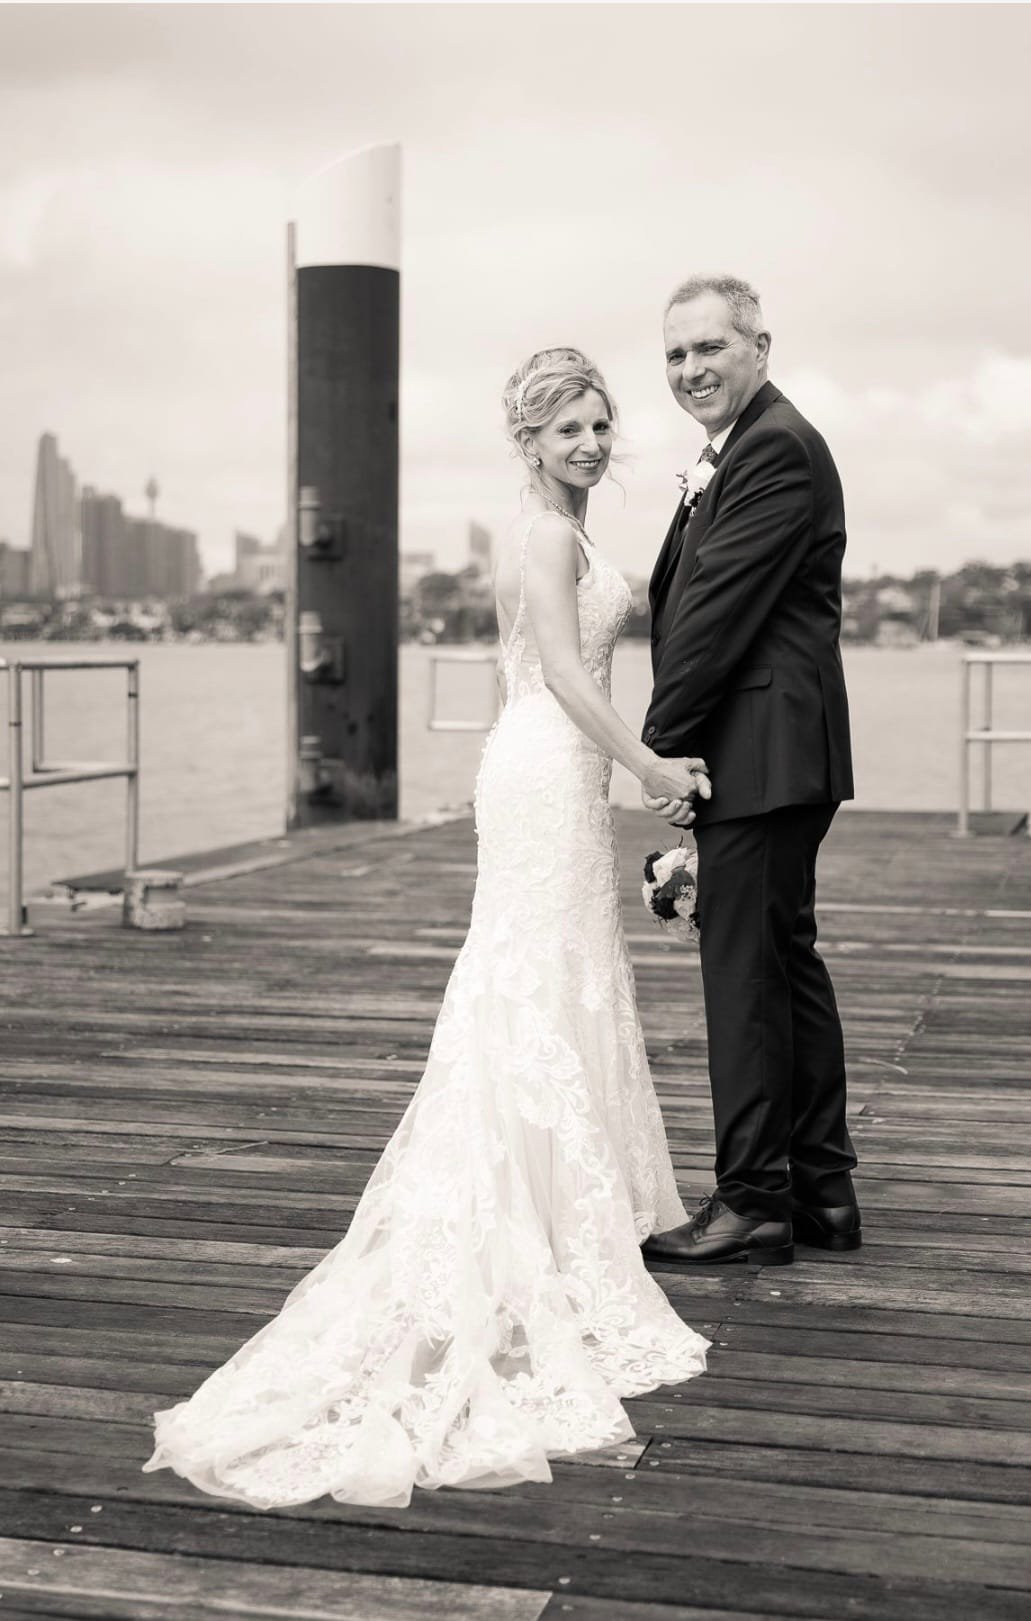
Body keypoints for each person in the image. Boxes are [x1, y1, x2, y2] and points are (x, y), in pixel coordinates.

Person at [142, 348, 708, 1512]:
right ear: (531, 444)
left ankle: (564, 1199)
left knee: (562, 975)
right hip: (549, 768)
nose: (593, 445)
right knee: (535, 977)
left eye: (602, 426)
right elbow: (559, 670)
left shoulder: (575, 528)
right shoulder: (548, 537)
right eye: (568, 432)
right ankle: (528, 1217)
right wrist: (648, 761)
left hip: (553, 776)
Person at [641, 276, 860, 1269]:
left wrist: (659, 750)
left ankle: (752, 1200)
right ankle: (819, 1190)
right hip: (777, 748)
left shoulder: (772, 447)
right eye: (677, 354)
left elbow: (712, 617)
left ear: (759, 347)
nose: (691, 369)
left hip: (757, 750)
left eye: (709, 348)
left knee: (743, 977)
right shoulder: (743, 447)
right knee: (783, 966)